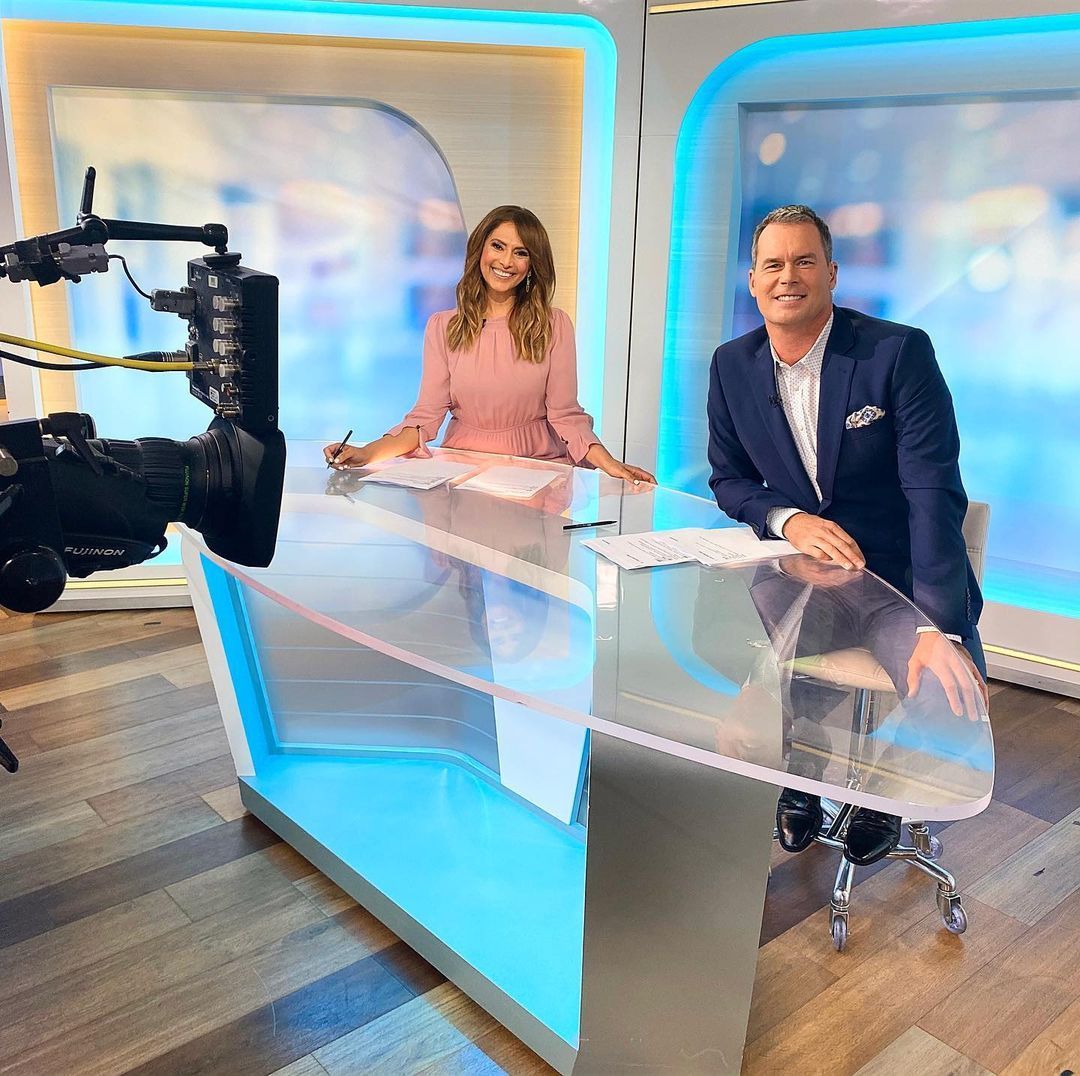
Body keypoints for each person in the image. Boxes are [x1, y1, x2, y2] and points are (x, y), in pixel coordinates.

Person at [706, 204, 990, 866]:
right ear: (754, 281)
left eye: (804, 261)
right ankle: (802, 773)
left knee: (950, 700)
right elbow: (730, 480)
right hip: (805, 574)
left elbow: (933, 494)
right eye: (773, 264)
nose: (788, 276)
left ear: (831, 274)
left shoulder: (897, 352)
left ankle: (880, 792)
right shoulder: (731, 365)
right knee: (742, 653)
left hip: (900, 580)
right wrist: (789, 519)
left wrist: (940, 628)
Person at [324, 205, 654, 484]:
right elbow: (425, 418)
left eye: (521, 252)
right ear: (480, 250)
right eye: (498, 246)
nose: (506, 261)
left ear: (532, 265)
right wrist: (365, 453)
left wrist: (610, 464)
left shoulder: (554, 325)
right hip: (462, 473)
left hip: (537, 471)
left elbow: (566, 415)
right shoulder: (443, 327)